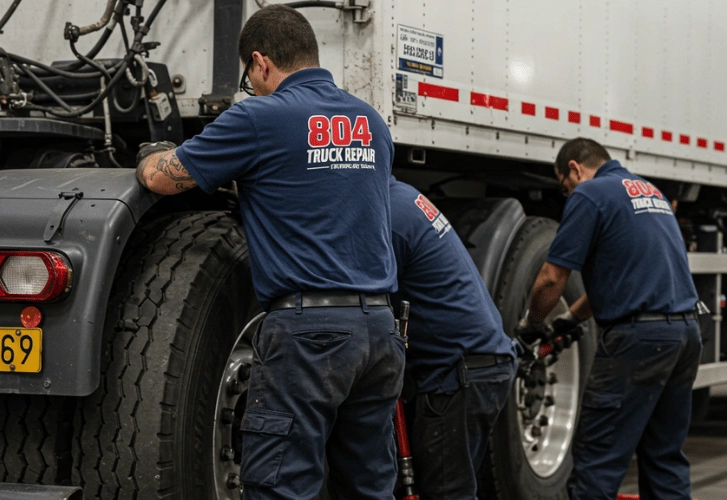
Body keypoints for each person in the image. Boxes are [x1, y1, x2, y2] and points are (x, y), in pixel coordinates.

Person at [134, 5, 405, 499]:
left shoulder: (259, 116)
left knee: (282, 487)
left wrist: (147, 154)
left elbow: (162, 177)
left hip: (310, 337)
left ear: (261, 62)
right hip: (379, 334)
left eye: (249, 77)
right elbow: (328, 191)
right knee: (367, 488)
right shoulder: (371, 122)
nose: (250, 87)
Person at [515, 137, 701, 500]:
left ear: (574, 168)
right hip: (684, 334)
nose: (568, 195)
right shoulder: (650, 192)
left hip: (638, 342)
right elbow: (628, 278)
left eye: (565, 187)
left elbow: (552, 278)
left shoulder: (590, 194)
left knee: (597, 462)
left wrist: (532, 326)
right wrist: (570, 318)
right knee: (664, 459)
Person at [389, 176, 517, 499]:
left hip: (458, 374)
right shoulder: (404, 197)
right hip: (480, 365)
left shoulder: (387, 215)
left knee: (447, 492)